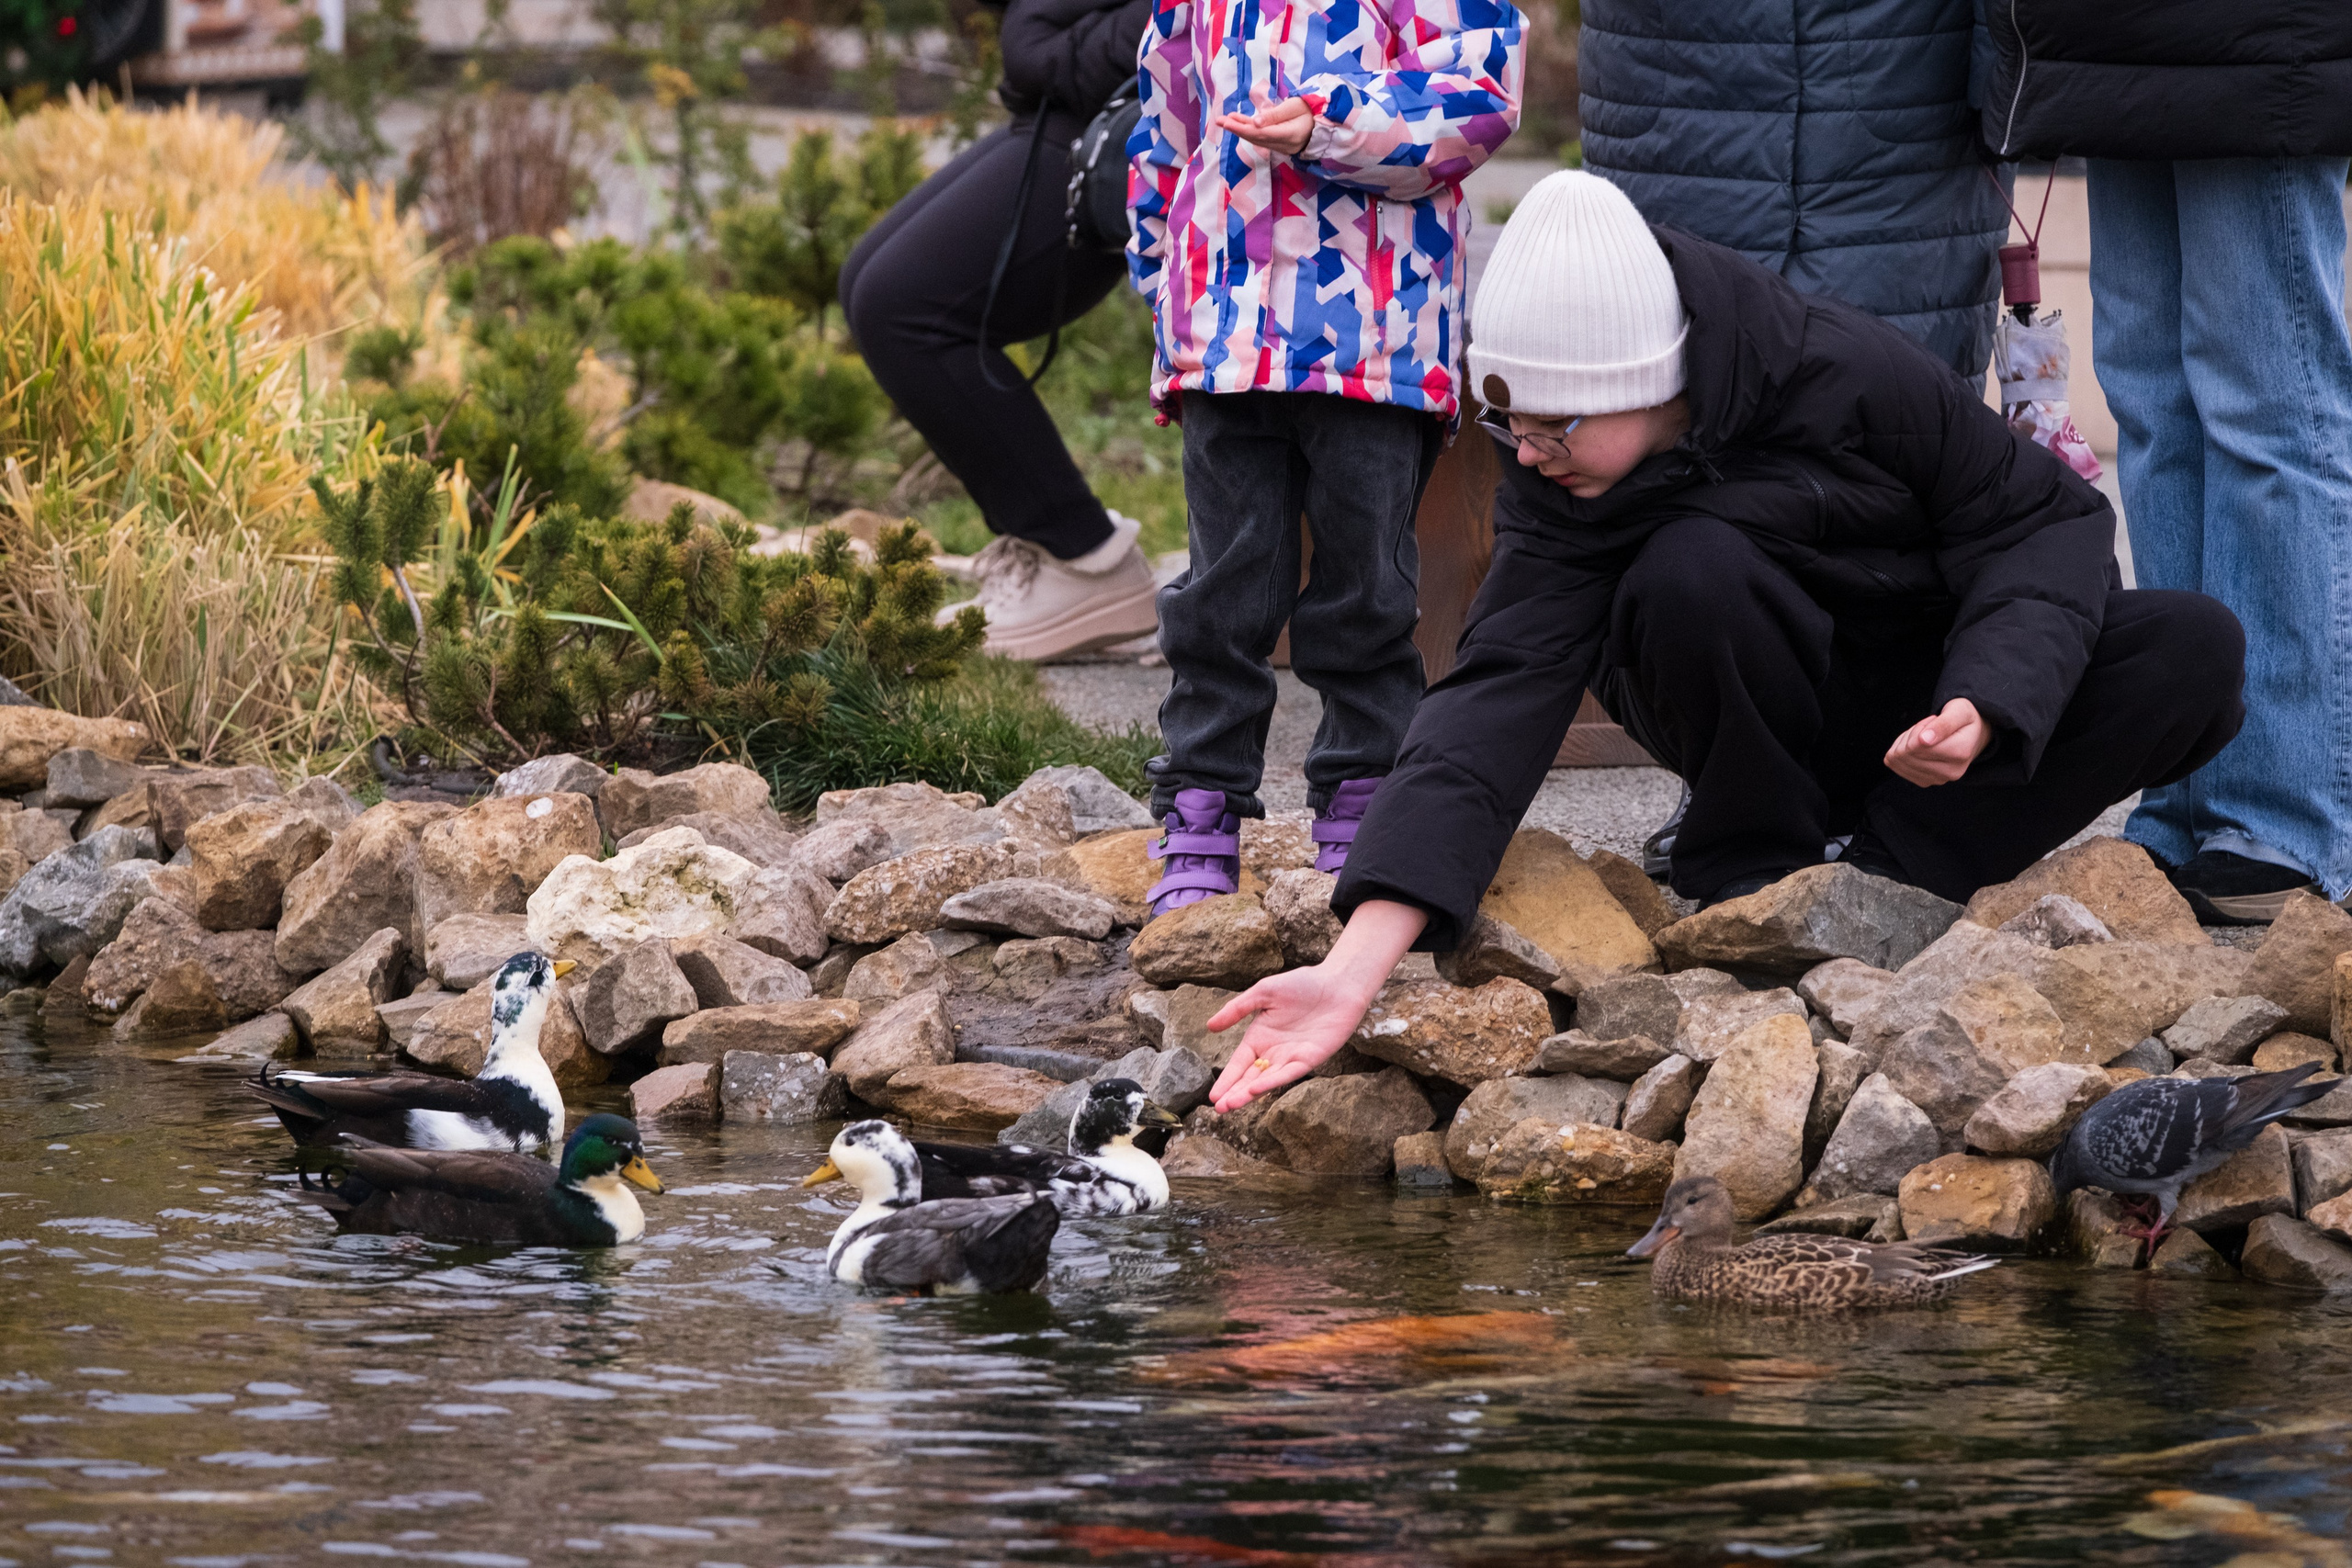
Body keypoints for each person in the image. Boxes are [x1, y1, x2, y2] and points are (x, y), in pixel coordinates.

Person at [1199, 171, 2247, 1111]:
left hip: (1927, 720)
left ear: (1651, 382)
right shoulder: (1556, 482)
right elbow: (1491, 699)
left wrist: (1985, 696)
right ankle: (1755, 875)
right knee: (1694, 565)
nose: (1528, 453)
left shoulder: (1849, 370)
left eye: (1557, 426)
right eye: (1510, 425)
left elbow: (2043, 524)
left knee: (2192, 647)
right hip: (1747, 699)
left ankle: (1894, 878)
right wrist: (1355, 967)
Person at [1124, 0, 1523, 915]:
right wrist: (1166, 283)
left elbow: (1476, 99)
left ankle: (1364, 796)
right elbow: (1164, 130)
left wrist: (1324, 125)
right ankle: (1201, 800)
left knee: (1366, 589)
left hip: (1373, 342)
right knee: (1223, 590)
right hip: (1226, 342)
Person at [1982, 4, 2352, 924]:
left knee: (2267, 407)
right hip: (2113, 40)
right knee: (2152, 411)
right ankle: (2186, 788)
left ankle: (2282, 810)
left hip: (2255, 39)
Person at [841, 0, 1160, 662]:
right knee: (867, 282)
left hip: (1119, 108)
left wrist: (1057, 50)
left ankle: (1081, 556)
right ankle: (1054, 548)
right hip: (1058, 103)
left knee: (902, 306)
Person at [1577, 0, 2008, 380]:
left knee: (1895, 414)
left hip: (1899, 129)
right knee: (1662, 410)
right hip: (1668, 120)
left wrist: (2007, 80)